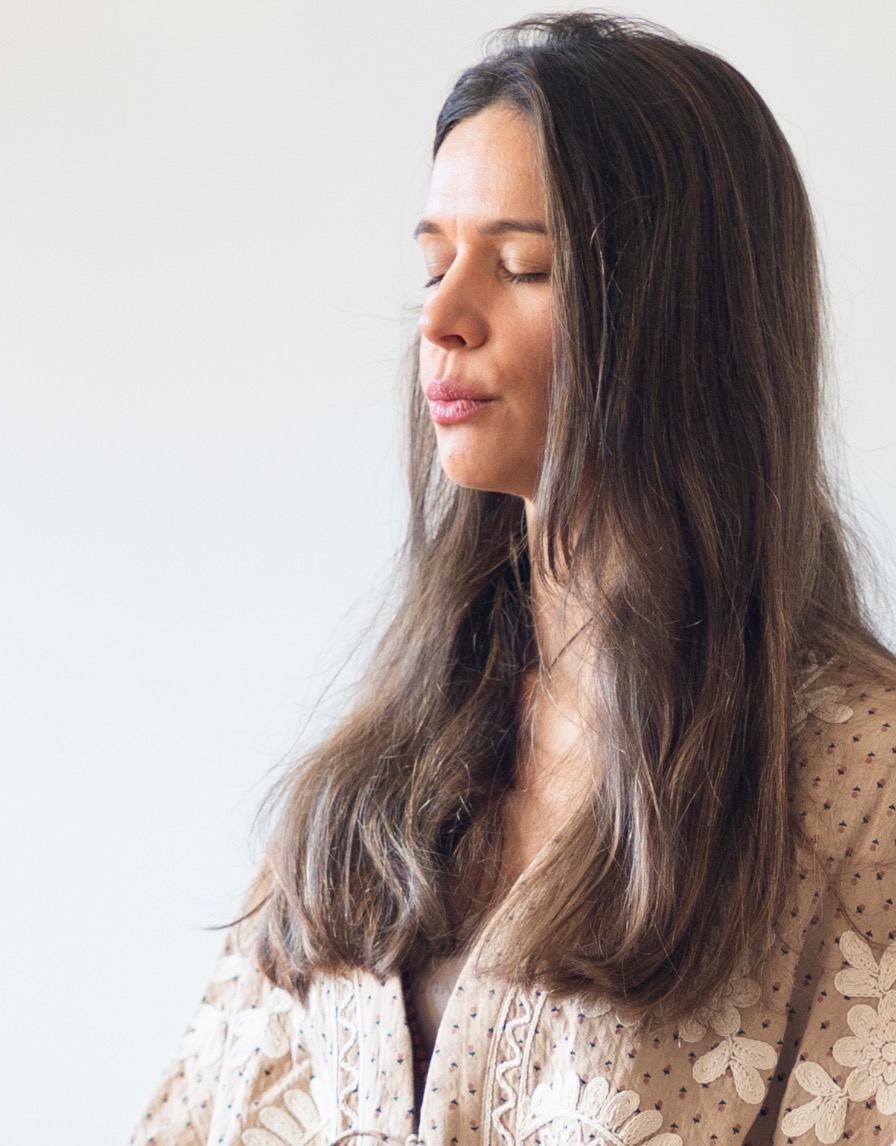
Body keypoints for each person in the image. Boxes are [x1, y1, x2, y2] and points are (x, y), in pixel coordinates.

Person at [130, 14, 896, 1146]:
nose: (441, 319)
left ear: (679, 315)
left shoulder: (859, 784)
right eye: (434, 263)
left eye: (522, 266)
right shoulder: (389, 757)